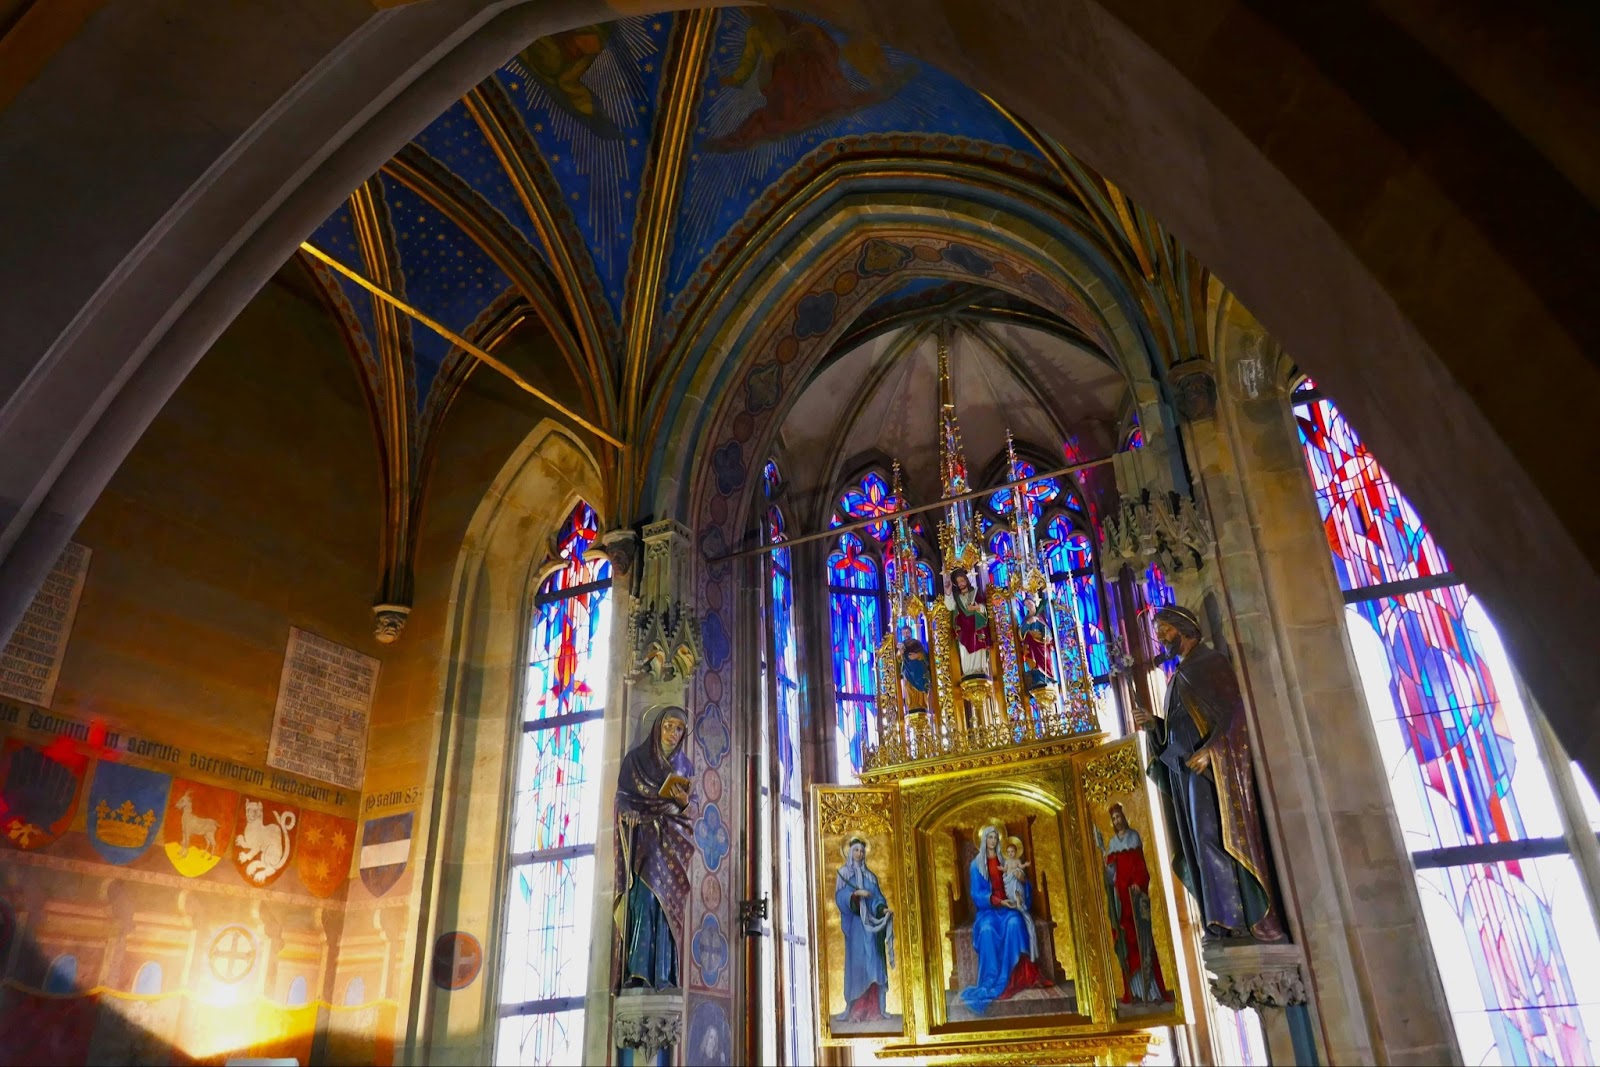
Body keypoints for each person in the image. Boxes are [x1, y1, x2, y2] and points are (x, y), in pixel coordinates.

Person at [1133, 606, 1285, 942]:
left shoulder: (1210, 663)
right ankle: (1217, 915)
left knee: (1213, 835)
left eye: (1164, 630)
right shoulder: (1179, 674)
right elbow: (1180, 726)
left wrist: (1211, 751)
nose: (1160, 638)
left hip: (1210, 769)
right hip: (1186, 770)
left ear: (1183, 628)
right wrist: (1154, 726)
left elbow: (1234, 716)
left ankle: (1235, 917)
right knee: (1197, 842)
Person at [614, 707, 695, 989]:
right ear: (657, 727)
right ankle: (638, 971)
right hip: (643, 842)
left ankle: (664, 974)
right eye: (669, 727)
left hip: (671, 843)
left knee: (667, 908)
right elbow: (622, 797)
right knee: (644, 901)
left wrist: (684, 802)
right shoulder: (635, 760)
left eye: (679, 729)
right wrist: (628, 813)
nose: (673, 734)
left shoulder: (685, 766)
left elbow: (688, 810)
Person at [960, 823, 1045, 1014]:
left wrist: (1022, 883)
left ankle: (1014, 976)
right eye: (990, 837)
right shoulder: (976, 865)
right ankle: (991, 979)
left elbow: (1020, 883)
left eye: (996, 837)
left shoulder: (1005, 858)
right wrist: (997, 901)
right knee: (987, 929)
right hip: (989, 909)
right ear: (984, 840)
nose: (993, 841)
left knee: (1015, 922)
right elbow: (977, 894)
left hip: (1009, 905)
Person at [1097, 804, 1170, 1005]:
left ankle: (1153, 991)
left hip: (1134, 897)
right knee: (1126, 943)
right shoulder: (1112, 843)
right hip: (1121, 900)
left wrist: (1138, 882)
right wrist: (1108, 869)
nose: (1117, 821)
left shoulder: (1134, 837)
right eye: (1114, 819)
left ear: (1124, 817)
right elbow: (1111, 874)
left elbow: (1140, 865)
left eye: (1119, 817)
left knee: (1142, 941)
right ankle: (1135, 992)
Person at [834, 836, 895, 1022]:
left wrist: (883, 909)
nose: (859, 854)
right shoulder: (844, 874)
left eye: (862, 850)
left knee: (874, 965)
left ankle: (874, 1008)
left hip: (872, 930)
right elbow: (840, 898)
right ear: (850, 853)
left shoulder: (870, 876)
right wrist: (855, 894)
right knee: (859, 965)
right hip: (856, 928)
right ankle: (858, 1009)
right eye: (856, 850)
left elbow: (877, 898)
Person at [945, 569, 992, 681]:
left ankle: (980, 670)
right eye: (958, 582)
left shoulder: (975, 593)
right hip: (964, 630)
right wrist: (948, 591)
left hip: (976, 627)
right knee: (964, 649)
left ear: (966, 580)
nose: (961, 583)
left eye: (962, 580)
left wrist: (976, 608)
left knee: (978, 646)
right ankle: (968, 671)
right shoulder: (957, 597)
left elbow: (984, 608)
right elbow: (950, 606)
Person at [1001, 836, 1038, 959]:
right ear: (1006, 853)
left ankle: (1018, 898)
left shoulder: (1017, 861)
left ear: (1016, 852)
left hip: (1017, 882)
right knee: (1010, 878)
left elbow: (1021, 868)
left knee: (1017, 877)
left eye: (1013, 851)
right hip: (1008, 884)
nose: (1011, 854)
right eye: (1009, 852)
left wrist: (1024, 867)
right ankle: (1014, 898)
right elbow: (1005, 872)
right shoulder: (1006, 862)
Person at [1017, 594, 1056, 690]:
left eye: (1029, 603)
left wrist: (1046, 637)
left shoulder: (1040, 616)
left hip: (1041, 644)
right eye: (1026, 605)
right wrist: (1028, 622)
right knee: (1033, 662)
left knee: (1044, 660)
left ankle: (1046, 678)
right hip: (1031, 645)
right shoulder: (1026, 619)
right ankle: (1037, 679)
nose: (1028, 606)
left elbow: (1047, 630)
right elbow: (1021, 634)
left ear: (1034, 603)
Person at [898, 624, 931, 713]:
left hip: (918, 668)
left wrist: (917, 655)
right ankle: (911, 706)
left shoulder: (917, 643)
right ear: (902, 634)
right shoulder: (902, 646)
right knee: (907, 686)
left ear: (911, 633)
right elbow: (898, 660)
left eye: (908, 632)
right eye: (904, 633)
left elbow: (925, 655)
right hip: (907, 671)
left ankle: (922, 704)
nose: (906, 634)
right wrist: (900, 653)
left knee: (920, 685)